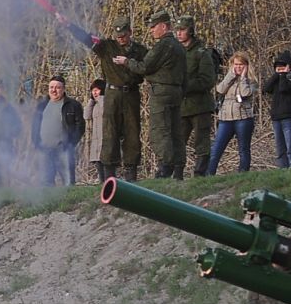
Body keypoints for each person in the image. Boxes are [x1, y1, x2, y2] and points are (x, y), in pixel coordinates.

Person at [118, 11, 185, 179]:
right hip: (177, 92)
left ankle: (165, 168)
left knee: (160, 131)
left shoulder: (163, 45)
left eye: (154, 27)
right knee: (175, 131)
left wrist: (126, 62)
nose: (151, 30)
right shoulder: (178, 46)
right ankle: (178, 170)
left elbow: (144, 67)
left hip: (161, 93)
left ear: (164, 26)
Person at [90, 20, 146, 180]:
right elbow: (87, 39)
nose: (121, 38)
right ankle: (109, 174)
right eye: (118, 36)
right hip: (112, 93)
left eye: (124, 35)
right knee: (110, 131)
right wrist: (68, 25)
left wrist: (129, 63)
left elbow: (148, 66)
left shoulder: (140, 50)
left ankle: (131, 171)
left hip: (131, 93)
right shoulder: (107, 47)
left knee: (132, 131)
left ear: (130, 32)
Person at [175, 17, 218, 178]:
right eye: (177, 30)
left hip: (200, 106)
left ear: (190, 31)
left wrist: (185, 85)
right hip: (182, 106)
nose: (179, 33)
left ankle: (200, 174)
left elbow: (207, 80)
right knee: (178, 142)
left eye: (183, 29)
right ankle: (177, 175)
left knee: (202, 142)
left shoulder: (202, 53)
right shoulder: (176, 52)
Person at [29, 76, 85, 186]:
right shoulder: (42, 105)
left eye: (57, 87)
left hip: (63, 150)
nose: (54, 90)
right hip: (44, 150)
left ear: (64, 89)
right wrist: (36, 143)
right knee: (46, 183)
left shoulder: (73, 105)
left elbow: (80, 126)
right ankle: (49, 202)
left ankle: (71, 202)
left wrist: (70, 143)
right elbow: (35, 126)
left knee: (68, 182)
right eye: (51, 87)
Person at [210, 53, 258, 174]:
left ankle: (242, 174)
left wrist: (243, 78)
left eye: (241, 64)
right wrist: (230, 76)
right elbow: (220, 89)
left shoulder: (251, 81)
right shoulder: (229, 78)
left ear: (246, 65)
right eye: (236, 64)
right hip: (225, 119)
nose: (238, 67)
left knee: (243, 149)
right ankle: (208, 174)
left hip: (243, 118)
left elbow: (245, 93)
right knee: (216, 149)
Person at [265, 51, 291, 169]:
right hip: (276, 117)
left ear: (289, 67)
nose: (280, 69)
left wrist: (284, 75)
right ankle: (282, 168)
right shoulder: (276, 80)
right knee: (280, 147)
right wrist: (276, 75)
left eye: (283, 66)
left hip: (289, 117)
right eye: (278, 67)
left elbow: (284, 88)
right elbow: (266, 88)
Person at [83, 79, 107, 181]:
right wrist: (91, 101)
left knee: (106, 165)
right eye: (93, 90)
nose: (95, 92)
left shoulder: (106, 102)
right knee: (98, 164)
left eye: (97, 90)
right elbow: (86, 116)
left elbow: (106, 111)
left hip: (105, 139)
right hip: (95, 140)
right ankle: (101, 183)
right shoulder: (94, 104)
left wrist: (101, 98)